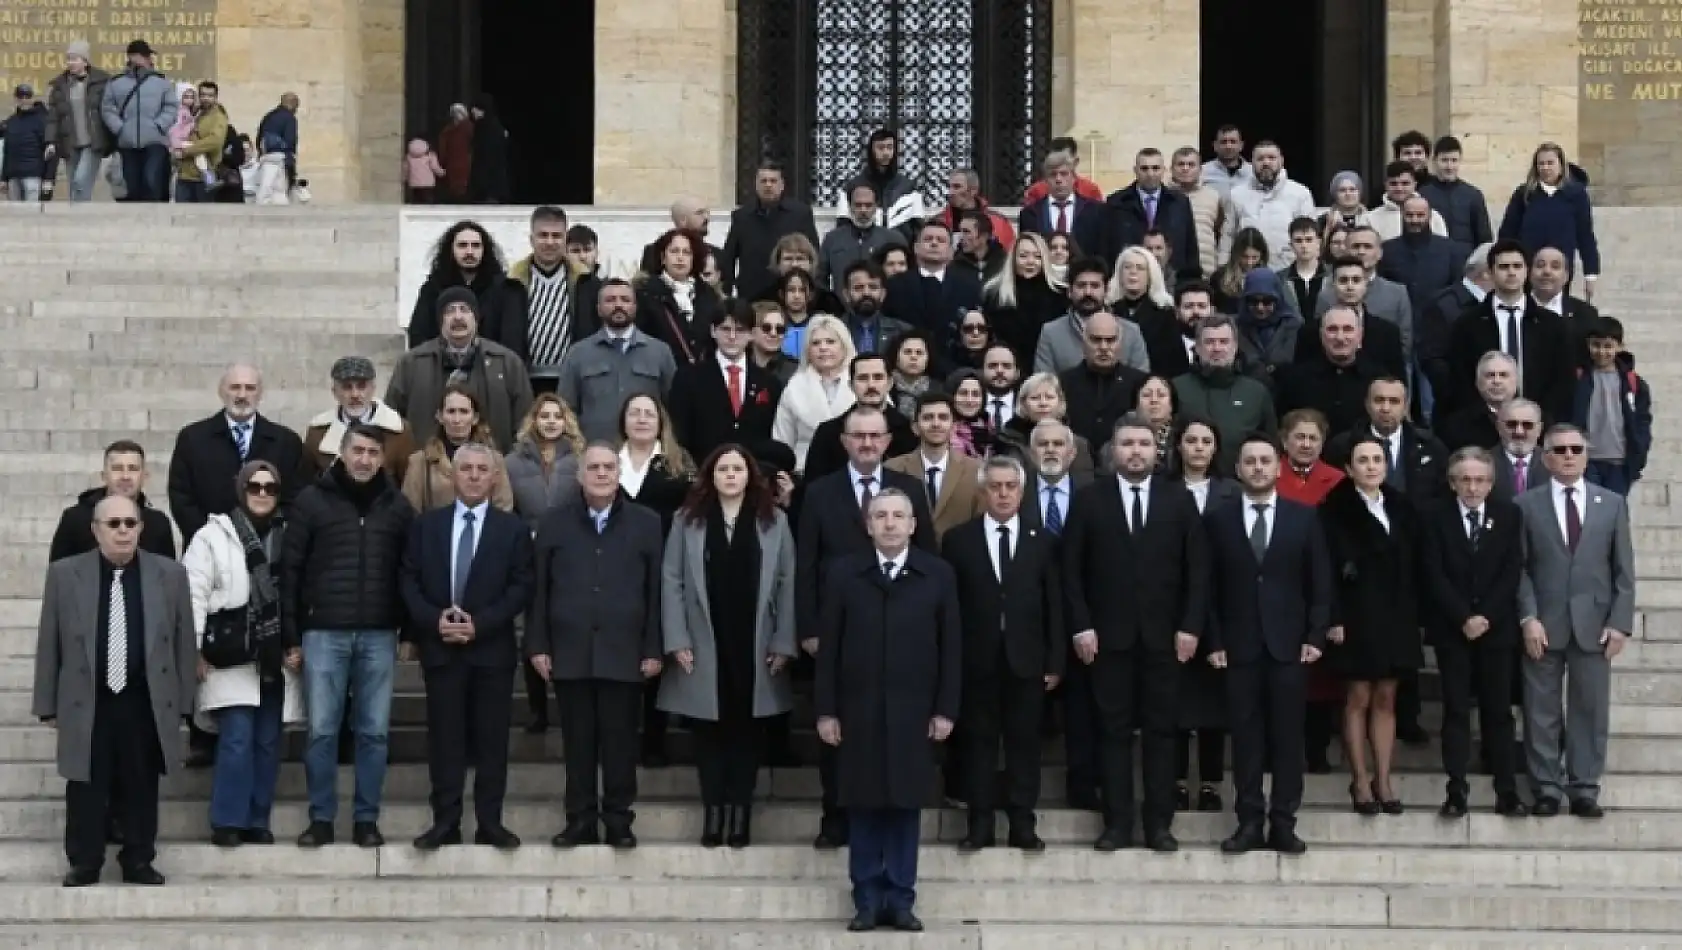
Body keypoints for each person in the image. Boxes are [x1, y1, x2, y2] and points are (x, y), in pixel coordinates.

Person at [817, 490, 960, 934]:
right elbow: (830, 650)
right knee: (863, 807)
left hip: (914, 712)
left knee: (903, 807)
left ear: (914, 525)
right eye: (881, 516)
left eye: (899, 516)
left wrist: (945, 709)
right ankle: (865, 899)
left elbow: (952, 647)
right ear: (868, 524)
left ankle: (900, 899)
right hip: (858, 710)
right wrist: (826, 711)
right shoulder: (844, 574)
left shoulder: (936, 574)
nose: (891, 523)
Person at [1064, 414, 1209, 852]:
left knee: (1163, 733)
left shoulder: (1178, 499)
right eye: (1127, 444)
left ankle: (1159, 825)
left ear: (1156, 450)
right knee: (1112, 733)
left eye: (1144, 444)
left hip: (1166, 640)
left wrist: (1190, 626)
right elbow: (1071, 571)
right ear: (1114, 450)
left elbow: (1197, 571)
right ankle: (1117, 825)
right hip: (1107, 640)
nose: (1136, 452)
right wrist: (1082, 626)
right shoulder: (1090, 500)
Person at [34, 495, 196, 887]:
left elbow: (183, 641)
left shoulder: (170, 575)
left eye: (130, 523)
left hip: (145, 697)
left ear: (141, 528)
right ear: (96, 530)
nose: (123, 530)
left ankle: (138, 859)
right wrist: (47, 703)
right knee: (85, 783)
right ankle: (84, 862)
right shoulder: (64, 574)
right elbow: (48, 641)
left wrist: (186, 703)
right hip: (87, 698)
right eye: (114, 524)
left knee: (141, 782)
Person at [796, 406, 938, 849]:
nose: (867, 443)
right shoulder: (819, 493)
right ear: (844, 441)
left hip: (901, 634)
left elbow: (929, 561)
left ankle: (887, 812)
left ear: (888, 441)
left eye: (875, 436)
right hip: (839, 634)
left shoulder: (909, 490)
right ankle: (834, 817)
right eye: (858, 436)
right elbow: (806, 566)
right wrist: (809, 627)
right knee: (837, 730)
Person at [283, 426, 416, 849]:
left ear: (382, 457)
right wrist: (291, 634)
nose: (364, 459)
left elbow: (409, 573)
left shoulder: (397, 507)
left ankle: (365, 819)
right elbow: (290, 571)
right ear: (341, 454)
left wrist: (408, 630)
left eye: (373, 452)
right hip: (323, 632)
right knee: (322, 729)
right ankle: (321, 818)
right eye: (357, 450)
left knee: (374, 731)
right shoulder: (311, 501)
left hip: (379, 632)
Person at [659, 445, 797, 848]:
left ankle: (740, 813)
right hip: (704, 641)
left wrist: (785, 640)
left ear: (750, 475)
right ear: (711, 475)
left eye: (738, 468)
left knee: (747, 731)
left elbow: (788, 583)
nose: (731, 475)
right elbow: (672, 581)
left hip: (755, 641)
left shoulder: (775, 522)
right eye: (723, 469)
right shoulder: (686, 521)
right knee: (709, 732)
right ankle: (714, 810)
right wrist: (677, 639)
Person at [528, 444, 665, 849]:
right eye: (594, 467)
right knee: (578, 744)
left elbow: (656, 591)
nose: (602, 473)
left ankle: (619, 820)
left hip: (625, 652)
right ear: (579, 475)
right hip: (570, 652)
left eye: (609, 467)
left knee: (621, 743)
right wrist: (538, 644)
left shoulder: (647, 523)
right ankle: (580, 820)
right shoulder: (553, 523)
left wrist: (654, 648)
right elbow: (539, 589)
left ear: (619, 473)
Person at [400, 442, 533, 850]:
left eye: (482, 469)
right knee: (445, 741)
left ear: (495, 478)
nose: (474, 476)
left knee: (493, 741)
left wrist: (481, 624)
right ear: (453, 476)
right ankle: (446, 821)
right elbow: (408, 580)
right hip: (441, 650)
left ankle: (490, 822)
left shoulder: (511, 528)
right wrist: (433, 620)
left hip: (491, 651)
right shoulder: (426, 525)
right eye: (466, 469)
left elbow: (521, 586)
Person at [1205, 433, 1332, 854]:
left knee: (1287, 739)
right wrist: (1214, 640)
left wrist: (1315, 634)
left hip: (1289, 647)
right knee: (1245, 738)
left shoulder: (1304, 517)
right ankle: (1248, 821)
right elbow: (1207, 586)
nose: (1258, 467)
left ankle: (1283, 822)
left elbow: (1319, 582)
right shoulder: (1217, 519)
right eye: (1250, 461)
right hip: (1237, 647)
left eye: (1265, 460)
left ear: (1277, 468)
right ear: (1238, 470)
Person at [941, 454, 1061, 851]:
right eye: (996, 486)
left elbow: (1053, 607)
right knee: (978, 745)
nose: (1003, 494)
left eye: (1011, 486)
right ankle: (979, 824)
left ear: (1022, 491)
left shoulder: (1042, 541)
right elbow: (951, 608)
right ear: (983, 490)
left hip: (1026, 661)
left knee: (1024, 745)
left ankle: (1022, 824)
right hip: (977, 663)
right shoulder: (959, 541)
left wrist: (1055, 661)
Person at [1515, 424, 1635, 819]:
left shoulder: (1612, 503)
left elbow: (1623, 570)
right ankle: (1546, 786)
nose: (1568, 456)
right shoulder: (1526, 505)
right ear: (1545, 457)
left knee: (1590, 708)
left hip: (1594, 624)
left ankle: (1584, 787)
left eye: (1576, 449)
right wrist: (1528, 616)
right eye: (1559, 449)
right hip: (1544, 625)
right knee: (1540, 709)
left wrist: (1619, 623)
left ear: (1586, 454)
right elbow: (1520, 569)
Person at [182, 461, 304, 847]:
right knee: (236, 737)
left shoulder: (290, 534)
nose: (263, 493)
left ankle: (257, 819)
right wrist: (194, 648)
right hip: (228, 652)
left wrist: (295, 641)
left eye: (271, 487)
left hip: (274, 655)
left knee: (268, 741)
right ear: (240, 489)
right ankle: (227, 820)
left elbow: (298, 593)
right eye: (255, 486)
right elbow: (193, 593)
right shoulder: (211, 536)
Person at [1420, 447, 1528, 818]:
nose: (1473, 486)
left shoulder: (1508, 514)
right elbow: (1432, 573)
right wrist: (1464, 616)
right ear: (1452, 482)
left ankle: (1507, 790)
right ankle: (1456, 789)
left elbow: (1512, 569)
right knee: (1455, 711)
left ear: (1492, 482)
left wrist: (1486, 616)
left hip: (1496, 631)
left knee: (1498, 711)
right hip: (1454, 630)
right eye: (1465, 479)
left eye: (1480, 479)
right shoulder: (1434, 517)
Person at [1319, 436, 1423, 815]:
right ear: (1348, 467)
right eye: (1362, 460)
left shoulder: (1401, 506)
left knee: (1386, 697)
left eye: (1377, 459)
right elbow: (1324, 568)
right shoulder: (1334, 509)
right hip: (1355, 615)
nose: (1371, 466)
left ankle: (1384, 778)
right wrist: (1332, 617)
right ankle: (1360, 780)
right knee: (1358, 696)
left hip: (1396, 614)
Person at [1166, 416, 1238, 807]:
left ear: (1215, 447)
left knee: (1214, 701)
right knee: (1176, 702)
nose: (1197, 447)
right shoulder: (1163, 489)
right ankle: (1176, 781)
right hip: (1172, 607)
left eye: (1205, 440)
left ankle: (1210, 783)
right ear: (1178, 446)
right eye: (1190, 440)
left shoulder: (1233, 492)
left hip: (1221, 607)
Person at [504, 393, 584, 732]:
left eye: (557, 416)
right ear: (533, 420)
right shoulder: (512, 462)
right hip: (528, 551)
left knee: (566, 627)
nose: (551, 422)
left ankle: (568, 705)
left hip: (571, 553)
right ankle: (538, 710)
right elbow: (507, 507)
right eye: (544, 416)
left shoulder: (581, 459)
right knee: (532, 631)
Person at [167, 363, 306, 544]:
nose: (242, 395)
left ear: (260, 393)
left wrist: (267, 536)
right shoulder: (192, 438)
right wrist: (210, 538)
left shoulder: (286, 442)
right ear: (221, 392)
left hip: (268, 550)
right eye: (235, 387)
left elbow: (294, 498)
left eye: (250, 388)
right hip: (207, 548)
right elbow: (181, 496)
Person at [387, 286, 535, 451]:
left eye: (464, 310)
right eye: (450, 311)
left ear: (476, 319)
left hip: (492, 467)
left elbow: (526, 424)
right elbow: (391, 421)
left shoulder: (507, 363)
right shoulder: (411, 364)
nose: (458, 317)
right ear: (440, 320)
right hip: (427, 467)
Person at [1445, 241, 1575, 422]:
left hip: (1538, 425)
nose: (1511, 272)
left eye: (1517, 266)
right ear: (1490, 272)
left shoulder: (1552, 325)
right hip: (1483, 425)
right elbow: (1460, 378)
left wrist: (1542, 418)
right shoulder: (1467, 324)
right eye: (1504, 267)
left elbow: (1563, 379)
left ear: (1527, 271)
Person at [557, 280, 677, 444]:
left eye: (625, 300)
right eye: (610, 300)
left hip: (647, 454)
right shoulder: (578, 353)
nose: (618, 305)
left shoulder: (660, 352)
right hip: (594, 457)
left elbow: (673, 409)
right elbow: (565, 410)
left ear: (635, 307)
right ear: (598, 308)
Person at [668, 299, 785, 465]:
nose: (732, 337)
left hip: (755, 478)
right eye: (725, 329)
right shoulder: (688, 378)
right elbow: (679, 434)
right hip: (702, 476)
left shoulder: (769, 383)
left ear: (751, 334)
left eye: (740, 330)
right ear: (713, 331)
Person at [1172, 314, 1278, 473]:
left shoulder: (1256, 392)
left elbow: (1271, 445)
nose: (1217, 348)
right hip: (1185, 485)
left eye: (1223, 342)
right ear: (1197, 348)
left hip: (1240, 487)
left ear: (1235, 347)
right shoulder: (1176, 388)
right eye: (1209, 342)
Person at [406, 221, 530, 356]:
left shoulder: (506, 291)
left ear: (485, 250)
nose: (469, 251)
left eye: (476, 246)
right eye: (462, 245)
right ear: (451, 249)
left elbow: (513, 343)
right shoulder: (432, 289)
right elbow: (419, 337)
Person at [1498, 142, 1600, 297]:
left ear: (1561, 165)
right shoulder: (1524, 194)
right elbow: (1507, 232)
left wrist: (1590, 274)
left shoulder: (1576, 195)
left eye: (1550, 163)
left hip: (1560, 270)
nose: (1545, 168)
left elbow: (1585, 234)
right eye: (1541, 164)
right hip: (1528, 270)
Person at [50, 440, 176, 563]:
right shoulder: (75, 519)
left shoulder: (159, 523)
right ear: (103, 476)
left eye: (133, 469)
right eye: (117, 468)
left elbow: (167, 576)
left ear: (144, 476)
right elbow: (58, 576)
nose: (125, 476)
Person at [400, 384, 516, 512]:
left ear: (475, 418)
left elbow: (503, 507)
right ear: (439, 416)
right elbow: (410, 510)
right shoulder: (420, 462)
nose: (457, 419)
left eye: (464, 411)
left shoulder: (494, 460)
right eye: (451, 411)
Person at [885, 392, 984, 541]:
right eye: (928, 417)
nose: (936, 424)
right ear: (915, 427)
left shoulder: (976, 470)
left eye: (943, 417)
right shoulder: (892, 468)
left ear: (953, 427)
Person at [302, 356, 416, 483]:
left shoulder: (398, 431)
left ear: (373, 389)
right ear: (334, 391)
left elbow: (408, 484)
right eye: (347, 387)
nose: (355, 394)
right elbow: (308, 483)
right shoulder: (317, 431)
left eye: (361, 386)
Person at [1573, 317, 1652, 495]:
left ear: (1620, 346)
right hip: (1586, 461)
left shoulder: (1634, 383)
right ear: (1588, 344)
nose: (1602, 352)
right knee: (1588, 516)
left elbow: (1642, 421)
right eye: (1596, 345)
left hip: (1620, 462)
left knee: (1615, 515)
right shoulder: (1577, 378)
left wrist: (1639, 453)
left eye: (1608, 346)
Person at [720, 162, 820, 300]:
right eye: (763, 181)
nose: (768, 185)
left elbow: (814, 255)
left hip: (789, 293)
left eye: (773, 181)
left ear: (782, 185)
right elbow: (729, 258)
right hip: (752, 294)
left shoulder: (800, 214)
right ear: (756, 185)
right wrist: (726, 293)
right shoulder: (742, 216)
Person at [772, 315, 859, 474]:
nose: (823, 348)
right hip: (804, 473)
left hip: (856, 470)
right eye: (816, 343)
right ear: (807, 350)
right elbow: (782, 441)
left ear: (844, 346)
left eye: (830, 341)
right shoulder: (794, 387)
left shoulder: (864, 379)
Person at [100, 39, 176, 202]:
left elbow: (171, 107)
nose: (146, 59)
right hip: (127, 142)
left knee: (151, 180)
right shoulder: (116, 83)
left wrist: (159, 125)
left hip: (155, 140)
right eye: (142, 56)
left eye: (146, 56)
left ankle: (154, 218)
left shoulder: (162, 82)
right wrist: (120, 128)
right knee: (132, 185)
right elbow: (108, 108)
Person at [638, 228, 725, 367]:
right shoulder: (646, 294)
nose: (680, 257)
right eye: (674, 251)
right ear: (663, 258)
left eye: (686, 252)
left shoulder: (708, 295)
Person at [43, 40, 112, 203]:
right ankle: (78, 218)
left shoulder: (101, 82)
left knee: (81, 181)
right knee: (73, 184)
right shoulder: (60, 86)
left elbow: (108, 110)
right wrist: (50, 141)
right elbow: (53, 117)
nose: (70, 63)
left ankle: (82, 215)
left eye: (75, 59)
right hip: (69, 142)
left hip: (93, 141)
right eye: (68, 59)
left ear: (85, 60)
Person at [3, 83, 50, 201]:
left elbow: (50, 151)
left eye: (27, 97)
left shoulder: (42, 120)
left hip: (33, 175)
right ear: (16, 99)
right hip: (13, 176)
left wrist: (48, 179)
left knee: (32, 214)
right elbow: (7, 152)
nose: (24, 100)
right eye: (20, 97)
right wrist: (3, 178)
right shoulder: (11, 121)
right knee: (14, 214)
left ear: (32, 98)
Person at [465, 94, 509, 204]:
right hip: (488, 174)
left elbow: (487, 151)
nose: (473, 112)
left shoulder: (487, 126)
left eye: (475, 109)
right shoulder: (488, 125)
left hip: (488, 174)